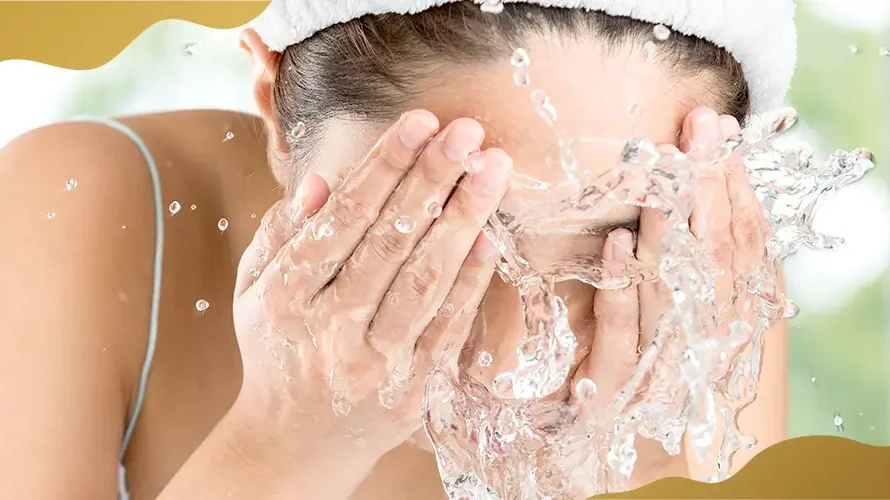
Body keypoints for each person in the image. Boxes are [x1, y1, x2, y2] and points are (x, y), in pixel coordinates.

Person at [0, 0, 795, 499]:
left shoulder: (702, 302)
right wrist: (284, 440)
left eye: (616, 241)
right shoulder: (79, 206)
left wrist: (616, 478)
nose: (507, 350)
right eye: (424, 226)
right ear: (276, 114)